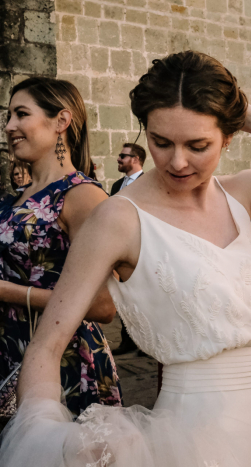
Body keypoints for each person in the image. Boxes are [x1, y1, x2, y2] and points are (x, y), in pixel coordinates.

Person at [0, 50, 251, 467]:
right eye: (160, 142)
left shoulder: (243, 191)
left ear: (228, 136)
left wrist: (242, 111)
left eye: (198, 144)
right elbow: (46, 346)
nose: (177, 161)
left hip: (250, 422)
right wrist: (51, 437)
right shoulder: (117, 218)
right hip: (183, 435)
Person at [0, 77, 122, 425]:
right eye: (8, 116)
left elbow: (102, 305)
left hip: (65, 363)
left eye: (21, 114)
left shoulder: (82, 196)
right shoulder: (15, 198)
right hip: (11, 352)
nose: (9, 127)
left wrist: (6, 292)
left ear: (61, 122)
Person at [109, 141, 147, 356]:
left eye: (123, 156)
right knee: (125, 296)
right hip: (120, 248)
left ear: (135, 159)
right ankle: (128, 340)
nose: (118, 159)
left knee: (145, 297)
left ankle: (147, 342)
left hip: (142, 248)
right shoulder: (116, 186)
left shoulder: (148, 182)